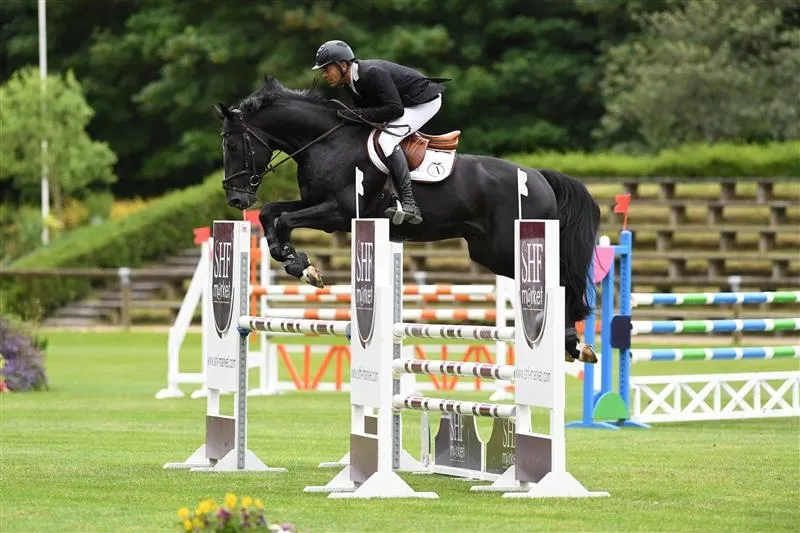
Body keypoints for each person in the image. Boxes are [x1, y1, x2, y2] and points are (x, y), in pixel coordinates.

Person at [312, 40, 446, 225]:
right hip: (404, 103)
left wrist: (355, 115)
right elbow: (366, 110)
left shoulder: (372, 73)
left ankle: (409, 203)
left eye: (327, 69)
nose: (324, 74)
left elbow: (395, 110)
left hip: (423, 103)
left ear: (343, 65)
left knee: (386, 140)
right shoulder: (351, 81)